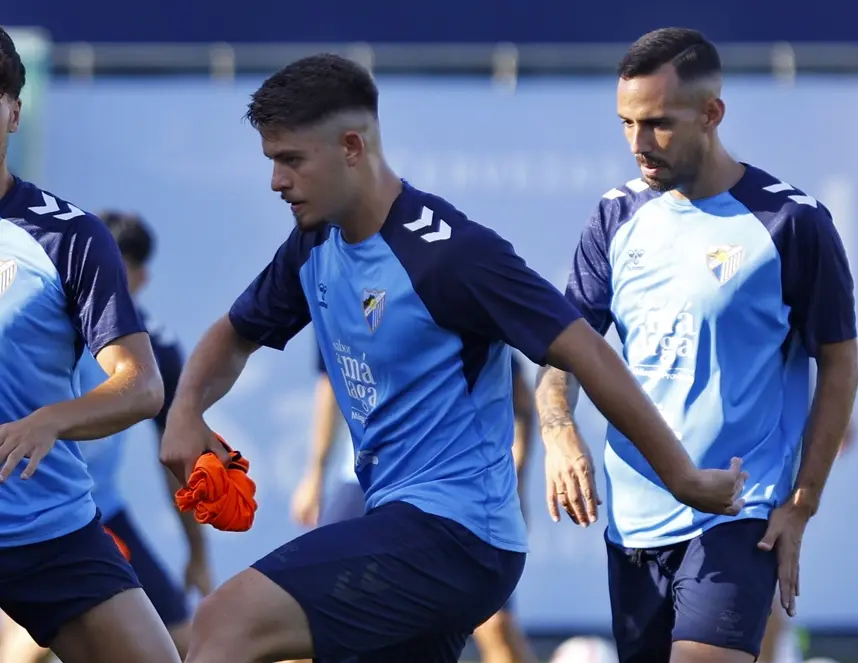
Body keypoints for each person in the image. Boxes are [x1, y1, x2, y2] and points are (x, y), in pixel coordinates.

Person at [159, 53, 746, 663]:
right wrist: (185, 412)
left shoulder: (449, 254)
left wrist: (682, 477)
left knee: (225, 620)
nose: (276, 181)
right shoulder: (314, 242)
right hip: (405, 522)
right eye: (271, 161)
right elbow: (235, 334)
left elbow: (587, 352)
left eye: (291, 160)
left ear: (352, 147)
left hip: (458, 535)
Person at [534, 27, 858, 663]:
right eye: (626, 123)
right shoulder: (615, 217)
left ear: (712, 114)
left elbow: (841, 361)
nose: (638, 144)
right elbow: (562, 350)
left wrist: (801, 505)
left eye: (657, 124)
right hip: (634, 520)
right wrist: (559, 430)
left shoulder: (791, 223)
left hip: (738, 512)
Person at [0, 27, 180, 663]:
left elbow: (142, 385)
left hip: (45, 527)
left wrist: (50, 420)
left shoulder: (69, 236)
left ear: (14, 112)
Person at [1, 211, 208, 662]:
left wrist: (198, 554)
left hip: (83, 514)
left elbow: (173, 454)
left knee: (181, 640)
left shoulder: (154, 349)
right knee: (30, 643)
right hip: (31, 504)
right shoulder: (44, 301)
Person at [290, 338, 538, 663]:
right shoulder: (340, 309)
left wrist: (515, 478)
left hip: (453, 489)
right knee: (305, 614)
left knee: (495, 626)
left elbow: (520, 399)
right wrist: (315, 473)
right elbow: (330, 384)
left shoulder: (456, 310)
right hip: (364, 481)